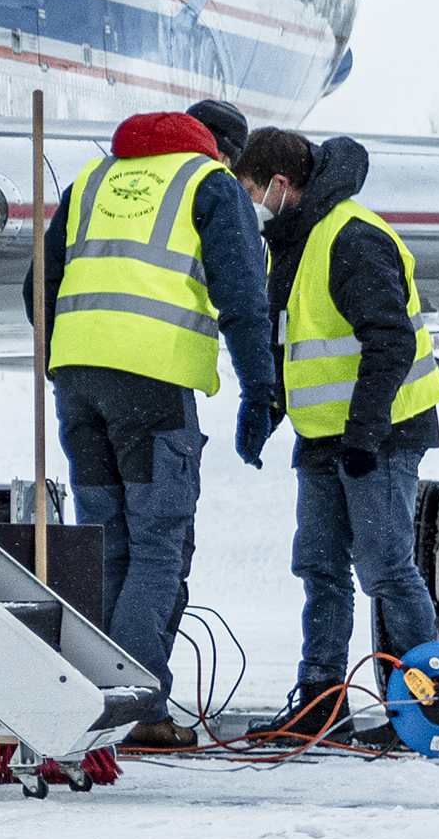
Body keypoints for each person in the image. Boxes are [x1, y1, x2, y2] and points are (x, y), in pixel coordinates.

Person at [26, 103, 285, 738]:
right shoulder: (209, 186)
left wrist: (73, 355)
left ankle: (94, 699)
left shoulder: (91, 180)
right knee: (158, 546)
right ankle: (133, 707)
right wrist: (260, 392)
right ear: (221, 149)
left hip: (76, 384)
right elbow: (244, 300)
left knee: (108, 544)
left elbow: (38, 282)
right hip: (152, 387)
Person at [239, 127, 439, 743]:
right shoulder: (292, 242)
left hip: (378, 433)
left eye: (250, 192)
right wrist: (266, 408)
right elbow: (292, 342)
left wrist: (363, 431)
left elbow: (391, 341)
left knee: (384, 568)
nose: (247, 206)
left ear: (279, 185)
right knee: (320, 566)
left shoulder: (351, 237)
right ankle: (320, 705)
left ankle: (434, 699)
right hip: (326, 435)